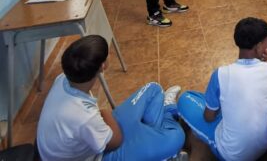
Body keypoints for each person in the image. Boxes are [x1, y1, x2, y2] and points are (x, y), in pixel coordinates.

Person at [37, 36, 185, 161]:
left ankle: (152, 139)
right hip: (99, 155)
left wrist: (103, 115)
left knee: (154, 89)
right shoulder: (84, 116)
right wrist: (104, 112)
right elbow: (116, 141)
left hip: (97, 133)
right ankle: (167, 116)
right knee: (177, 137)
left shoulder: (63, 79)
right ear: (103, 66)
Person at [178, 18, 267, 161]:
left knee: (185, 98)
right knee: (214, 100)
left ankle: (169, 109)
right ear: (257, 47)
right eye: (266, 42)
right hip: (262, 147)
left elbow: (208, 117)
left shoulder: (221, 74)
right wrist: (263, 61)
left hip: (230, 154)